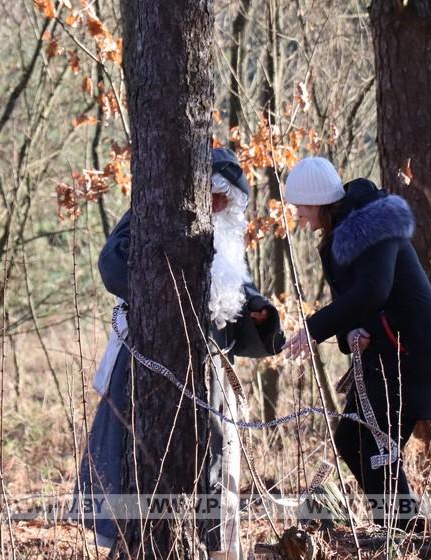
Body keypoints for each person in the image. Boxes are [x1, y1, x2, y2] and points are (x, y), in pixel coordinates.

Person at [76, 147, 285, 559]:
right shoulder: (150, 214)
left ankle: (215, 550)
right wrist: (166, 291)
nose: (218, 206)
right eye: (212, 196)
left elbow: (236, 291)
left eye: (225, 199)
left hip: (213, 377)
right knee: (141, 458)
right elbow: (112, 263)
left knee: (217, 465)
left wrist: (260, 316)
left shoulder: (226, 239)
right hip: (151, 365)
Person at [282, 156, 431, 542]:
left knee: (378, 449)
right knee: (352, 440)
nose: (299, 217)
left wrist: (315, 328)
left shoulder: (372, 226)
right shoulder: (340, 236)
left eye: (301, 207)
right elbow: (356, 305)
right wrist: (348, 334)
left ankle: (423, 540)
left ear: (318, 201)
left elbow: (374, 290)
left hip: (413, 351)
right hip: (385, 352)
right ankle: (401, 532)